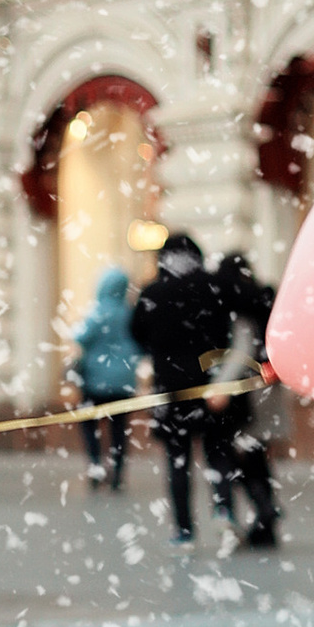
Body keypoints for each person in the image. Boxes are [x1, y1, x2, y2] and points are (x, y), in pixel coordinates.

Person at [130, 230, 230, 546]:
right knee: (218, 449)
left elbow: (137, 332)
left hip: (169, 386)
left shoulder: (153, 292)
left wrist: (161, 350)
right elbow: (226, 330)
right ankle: (224, 509)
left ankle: (184, 530)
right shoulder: (212, 287)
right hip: (209, 382)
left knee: (177, 459)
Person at [205, 249, 281, 551]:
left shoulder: (236, 304)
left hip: (246, 393)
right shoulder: (261, 297)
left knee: (237, 457)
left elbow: (240, 351)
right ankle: (266, 516)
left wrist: (220, 387)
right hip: (268, 389)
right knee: (255, 458)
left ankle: (261, 513)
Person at [70, 265, 140, 492]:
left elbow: (80, 336)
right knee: (119, 428)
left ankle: (95, 466)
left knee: (90, 425)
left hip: (95, 381)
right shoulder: (129, 313)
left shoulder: (98, 312)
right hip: (123, 380)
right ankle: (117, 472)